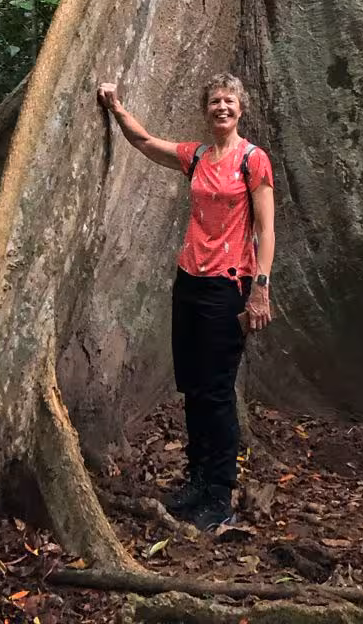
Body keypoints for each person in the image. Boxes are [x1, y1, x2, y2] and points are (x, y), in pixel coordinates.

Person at [96, 72, 275, 530]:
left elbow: (266, 230)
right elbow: (144, 142)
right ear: (206, 108)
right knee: (193, 389)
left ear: (241, 108)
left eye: (229, 101)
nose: (222, 107)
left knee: (217, 393)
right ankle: (195, 481)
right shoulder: (195, 156)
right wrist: (116, 107)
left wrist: (260, 288)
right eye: (215, 100)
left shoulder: (253, 161)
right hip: (189, 282)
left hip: (228, 287)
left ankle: (220, 493)